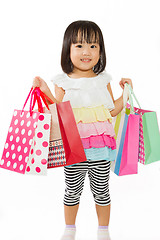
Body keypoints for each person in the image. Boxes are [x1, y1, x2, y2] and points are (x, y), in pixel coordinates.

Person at [33, 20, 133, 240]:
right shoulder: (63, 81)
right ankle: (70, 229)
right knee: (72, 190)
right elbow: (58, 112)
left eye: (93, 46)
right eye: (79, 46)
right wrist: (45, 89)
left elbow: (112, 111)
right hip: (73, 149)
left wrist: (126, 93)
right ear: (67, 49)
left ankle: (103, 231)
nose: (86, 52)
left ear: (101, 50)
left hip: (100, 148)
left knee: (102, 190)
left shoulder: (103, 80)